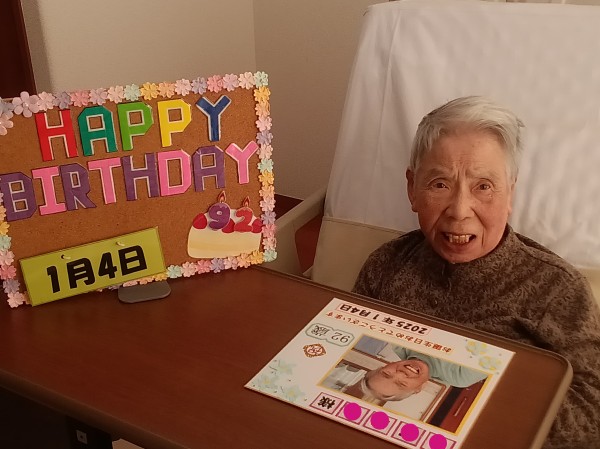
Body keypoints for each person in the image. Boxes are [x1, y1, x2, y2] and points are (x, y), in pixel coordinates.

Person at [352, 96, 600, 449]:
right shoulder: (385, 265)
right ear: (412, 189)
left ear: (510, 193)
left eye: (483, 186)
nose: (459, 210)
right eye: (440, 184)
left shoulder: (557, 289)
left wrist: (486, 407)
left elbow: (591, 414)